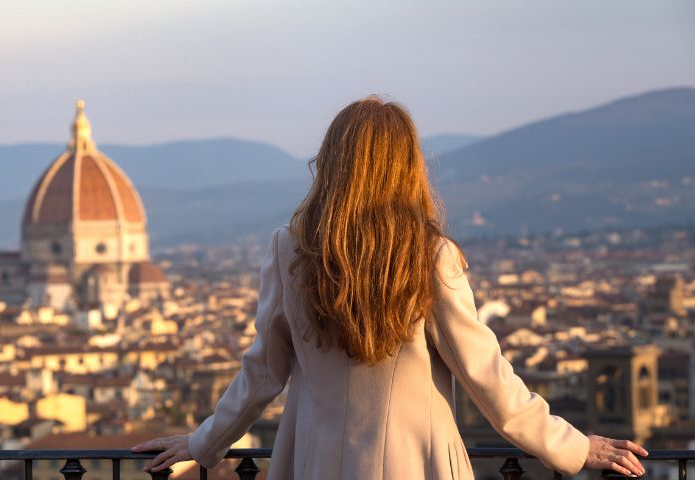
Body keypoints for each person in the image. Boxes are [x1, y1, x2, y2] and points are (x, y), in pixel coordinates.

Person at [132, 97, 648, 479]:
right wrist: (574, 449)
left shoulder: (290, 250)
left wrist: (204, 444)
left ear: (331, 164)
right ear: (407, 169)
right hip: (417, 462)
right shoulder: (431, 256)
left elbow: (263, 372)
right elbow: (488, 377)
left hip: (314, 463)